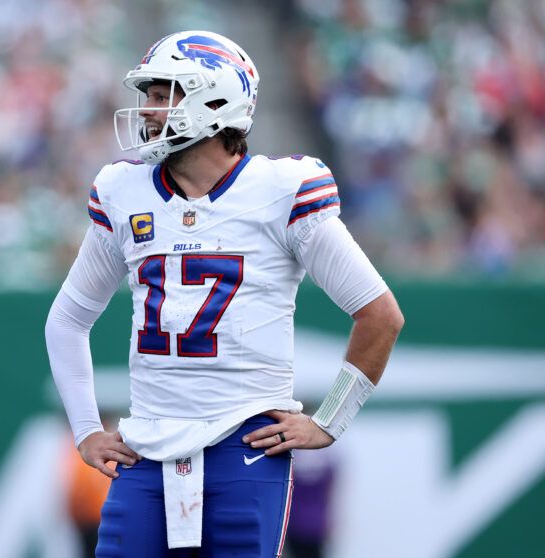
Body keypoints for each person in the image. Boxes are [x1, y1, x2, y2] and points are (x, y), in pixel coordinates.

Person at [45, 30, 404, 557]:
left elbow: (380, 315)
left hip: (245, 445)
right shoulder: (124, 193)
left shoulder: (283, 190)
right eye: (148, 95)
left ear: (214, 101)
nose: (147, 110)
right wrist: (83, 430)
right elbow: (67, 321)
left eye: (164, 94)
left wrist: (329, 421)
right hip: (146, 447)